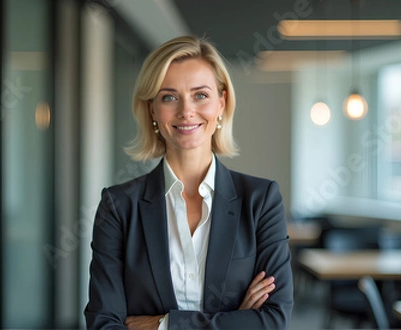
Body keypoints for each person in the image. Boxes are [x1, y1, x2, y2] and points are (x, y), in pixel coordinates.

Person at [84, 35, 293, 329]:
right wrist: (236, 320)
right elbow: (104, 324)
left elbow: (273, 320)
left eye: (200, 95)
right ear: (152, 109)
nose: (186, 111)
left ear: (221, 103)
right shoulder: (119, 207)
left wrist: (164, 324)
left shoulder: (261, 200)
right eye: (169, 97)